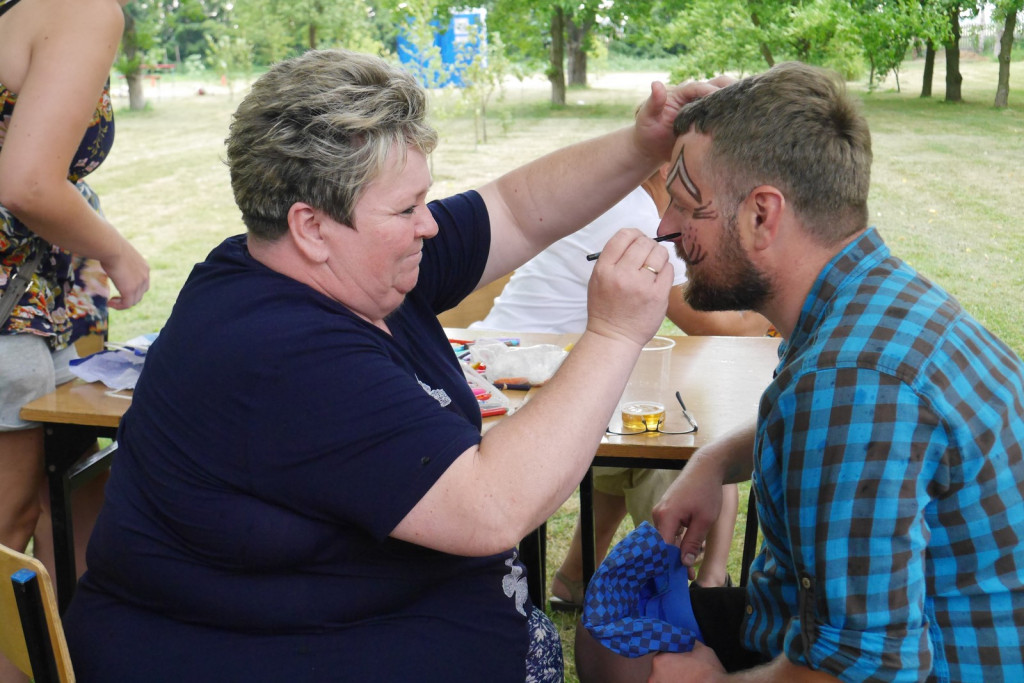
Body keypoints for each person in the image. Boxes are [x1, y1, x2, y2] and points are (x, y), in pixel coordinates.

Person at [61, 48, 721, 682]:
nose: (428, 225)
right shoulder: (280, 353)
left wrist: (642, 144)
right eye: (406, 209)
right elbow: (492, 505)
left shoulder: (336, 266)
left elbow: (517, 209)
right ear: (311, 225)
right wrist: (611, 331)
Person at [575, 61, 1024, 682]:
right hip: (806, 623)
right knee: (608, 644)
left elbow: (862, 673)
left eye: (686, 206)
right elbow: (803, 419)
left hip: (931, 664)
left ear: (763, 215)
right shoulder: (861, 297)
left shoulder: (853, 381)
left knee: (629, 663)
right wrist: (712, 463)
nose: (666, 229)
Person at [472, 166, 771, 609]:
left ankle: (577, 578)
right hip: (514, 384)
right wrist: (781, 299)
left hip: (516, 366)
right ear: (673, 165)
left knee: (648, 433)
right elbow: (714, 326)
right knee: (682, 445)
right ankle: (696, 595)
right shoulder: (639, 220)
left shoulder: (617, 199)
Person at [0, 2, 149, 679]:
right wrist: (119, 254)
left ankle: (78, 660)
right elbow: (29, 182)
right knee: (14, 524)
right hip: (14, 307)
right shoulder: (81, 7)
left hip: (51, 294)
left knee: (76, 491)